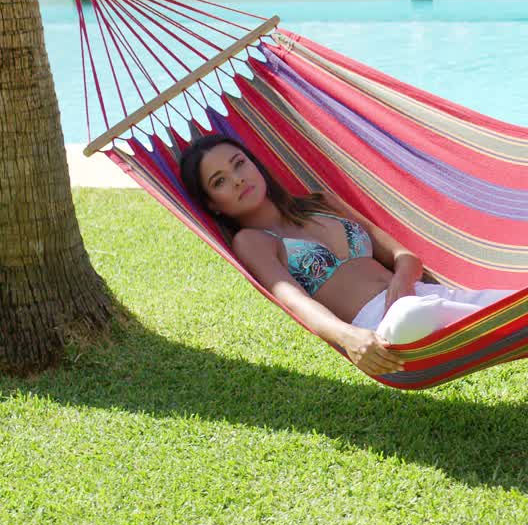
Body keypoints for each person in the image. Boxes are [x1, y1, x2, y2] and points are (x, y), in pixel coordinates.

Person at [179, 134, 510, 377]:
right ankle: (505, 323)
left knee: (522, 299)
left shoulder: (321, 202)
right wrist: (348, 337)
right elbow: (294, 301)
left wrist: (402, 284)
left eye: (240, 164)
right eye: (220, 181)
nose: (238, 179)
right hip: (383, 329)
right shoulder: (253, 241)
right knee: (411, 315)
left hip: (426, 296)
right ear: (212, 203)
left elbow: (404, 255)